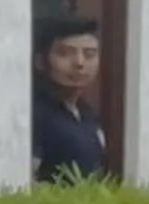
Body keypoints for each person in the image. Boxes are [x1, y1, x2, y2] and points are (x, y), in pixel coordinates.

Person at [32, 13, 111, 182]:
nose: (79, 63)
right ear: (40, 60)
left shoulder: (88, 115)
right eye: (65, 53)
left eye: (89, 54)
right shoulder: (34, 116)